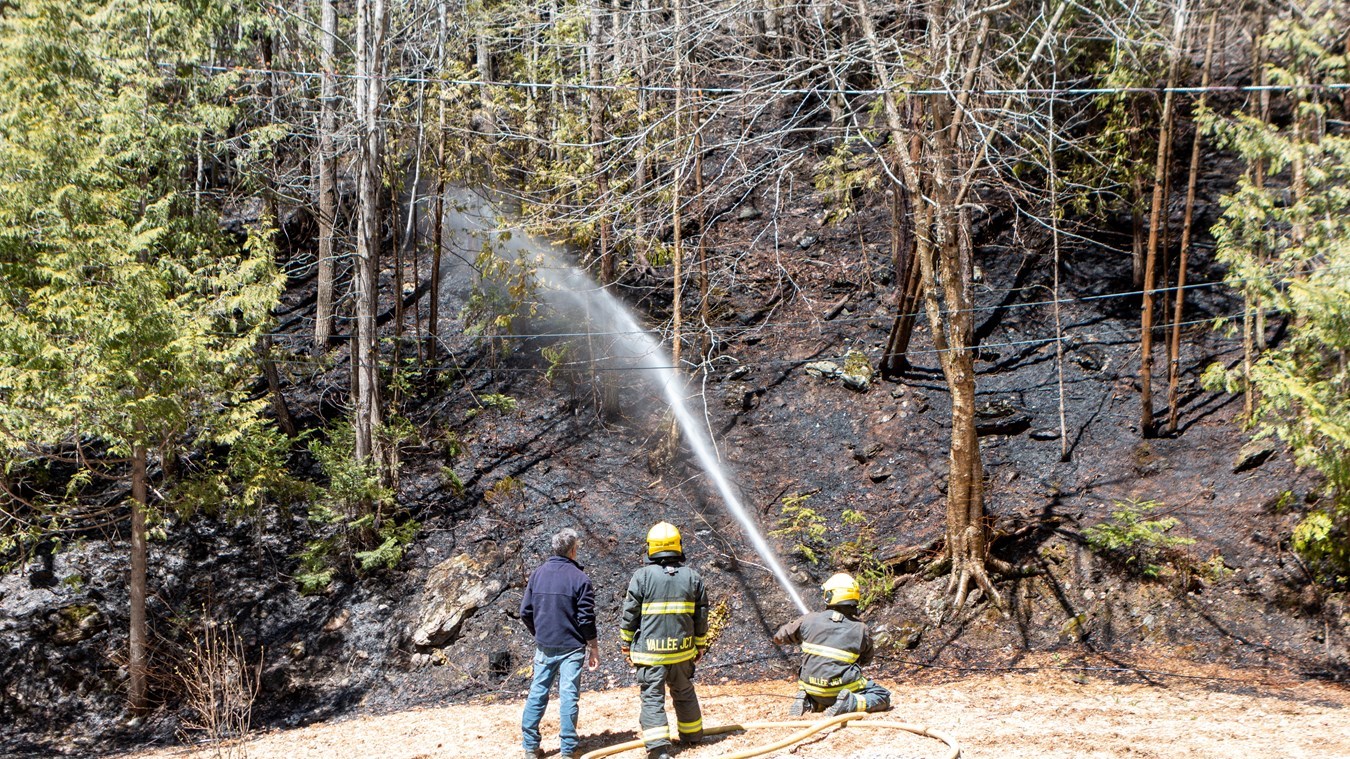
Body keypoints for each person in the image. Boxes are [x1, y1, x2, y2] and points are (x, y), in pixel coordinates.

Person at [618, 522, 709, 759]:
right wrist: (699, 644)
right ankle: (693, 736)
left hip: (651, 654)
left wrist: (626, 643)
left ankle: (659, 748)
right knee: (684, 691)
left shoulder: (642, 576)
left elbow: (630, 613)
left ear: (651, 548)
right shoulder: (693, 577)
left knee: (652, 697)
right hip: (682, 652)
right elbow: (700, 616)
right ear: (678, 547)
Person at [520, 528, 600, 759]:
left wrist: (539, 633)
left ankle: (530, 747)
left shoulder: (537, 574)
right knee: (568, 696)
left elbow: (525, 611)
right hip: (572, 647)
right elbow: (586, 618)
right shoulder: (580, 579)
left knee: (537, 692)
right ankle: (568, 750)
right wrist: (593, 646)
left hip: (545, 644)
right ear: (573, 550)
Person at [772, 573, 891, 717]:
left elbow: (779, 637)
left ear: (828, 596)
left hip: (812, 688)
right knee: (881, 695)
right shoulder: (861, 629)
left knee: (819, 691)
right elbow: (866, 660)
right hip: (841, 689)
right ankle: (850, 703)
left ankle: (810, 702)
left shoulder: (809, 619)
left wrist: (802, 634)